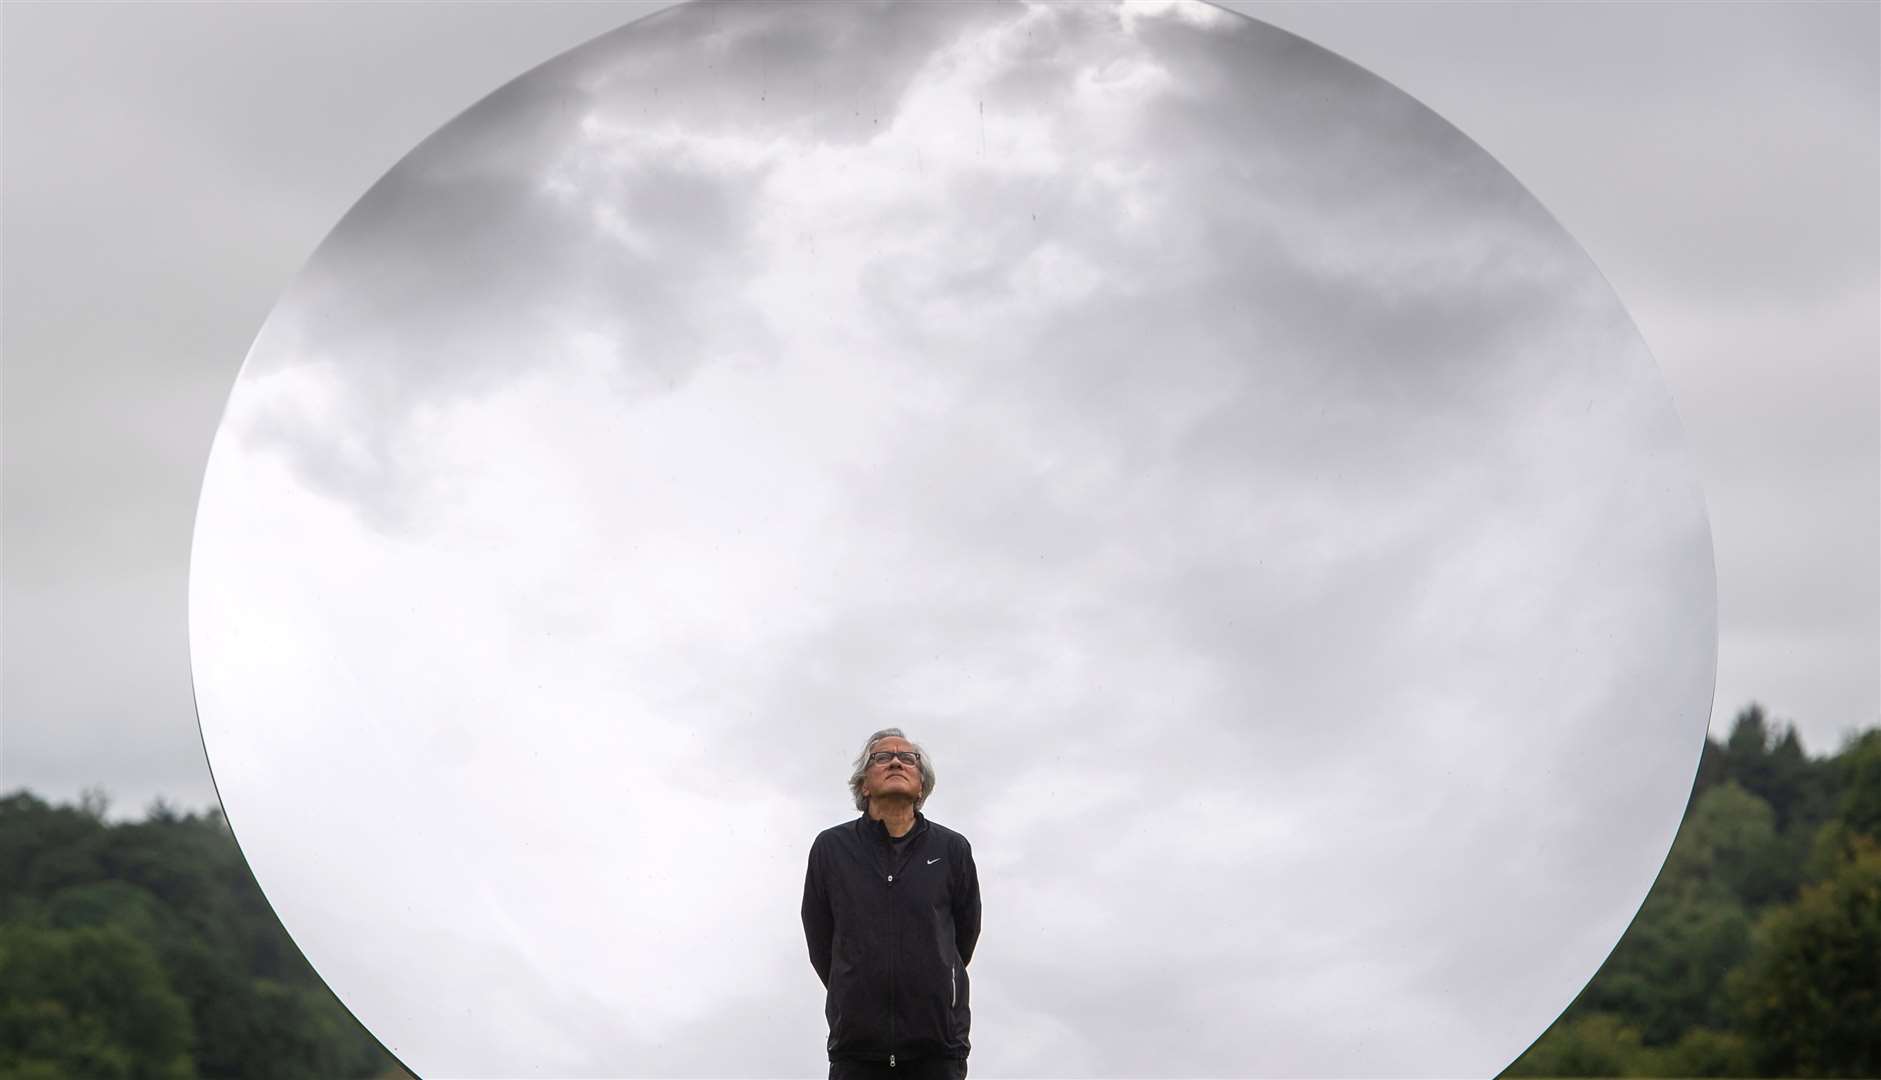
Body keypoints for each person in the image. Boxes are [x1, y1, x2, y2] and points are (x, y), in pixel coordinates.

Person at [802, 728, 981, 1080]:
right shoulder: (831, 849)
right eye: (882, 757)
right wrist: (855, 989)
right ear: (864, 784)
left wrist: (931, 980)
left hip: (937, 1049)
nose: (897, 761)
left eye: (908, 758)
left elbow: (962, 939)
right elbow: (822, 943)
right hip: (857, 1051)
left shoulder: (952, 850)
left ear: (921, 787)